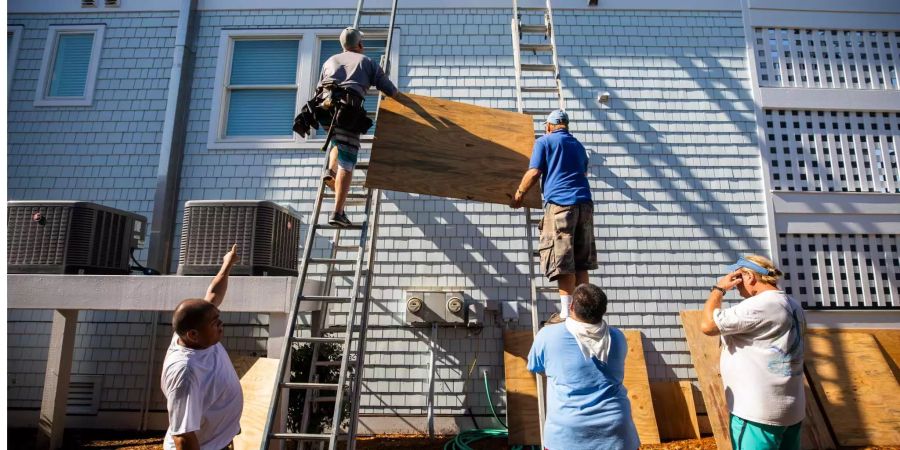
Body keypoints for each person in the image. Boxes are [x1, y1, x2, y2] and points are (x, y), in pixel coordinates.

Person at [700, 255, 806, 450]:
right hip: (791, 409)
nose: (738, 286)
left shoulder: (760, 305)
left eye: (738, 278)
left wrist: (719, 290)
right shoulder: (793, 305)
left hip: (757, 413)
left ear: (749, 276)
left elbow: (707, 325)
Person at [527, 283, 640, 450]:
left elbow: (535, 367)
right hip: (617, 433)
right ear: (603, 310)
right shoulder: (617, 337)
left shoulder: (548, 336)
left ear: (571, 306)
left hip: (567, 436)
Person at [511, 109, 596, 320]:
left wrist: (519, 195)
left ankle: (567, 313)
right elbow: (582, 173)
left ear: (549, 126)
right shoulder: (578, 146)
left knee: (563, 261)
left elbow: (534, 172)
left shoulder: (545, 142)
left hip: (561, 205)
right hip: (584, 205)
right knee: (581, 262)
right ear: (565, 125)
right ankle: (585, 312)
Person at [162, 244, 242, 450]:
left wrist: (228, 264)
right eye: (215, 323)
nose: (221, 325)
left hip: (218, 442)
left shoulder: (193, 335)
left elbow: (213, 294)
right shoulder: (185, 372)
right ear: (193, 335)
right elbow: (183, 437)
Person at [319, 27, 399, 228]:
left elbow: (319, 88)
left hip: (325, 110)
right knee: (348, 162)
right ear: (360, 45)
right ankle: (337, 212)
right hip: (347, 112)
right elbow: (390, 90)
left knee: (337, 140)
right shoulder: (367, 62)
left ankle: (331, 169)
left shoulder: (329, 61)